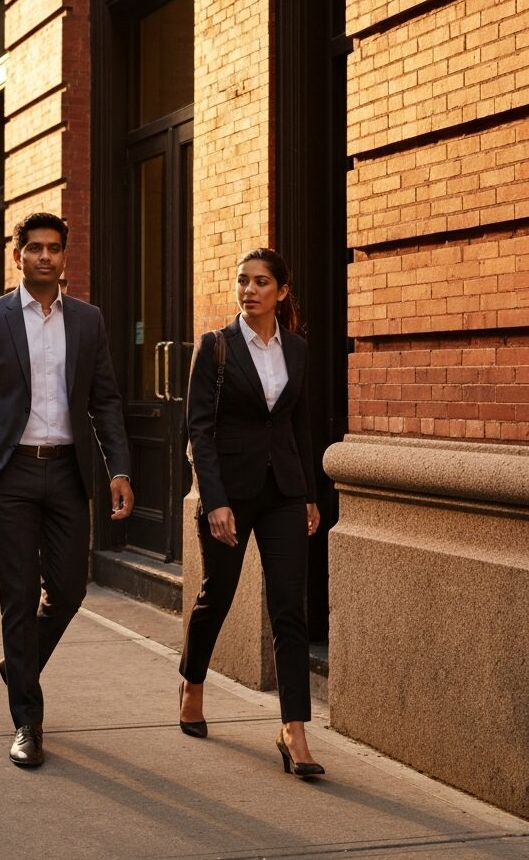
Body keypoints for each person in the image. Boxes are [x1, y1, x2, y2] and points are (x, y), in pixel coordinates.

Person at [0, 212, 134, 768]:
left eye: (54, 248)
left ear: (64, 255)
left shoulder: (87, 320)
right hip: (9, 474)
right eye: (34, 248)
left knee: (70, 590)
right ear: (18, 256)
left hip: (68, 472)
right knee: (19, 591)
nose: (45, 256)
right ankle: (27, 721)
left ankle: (18, 666)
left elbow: (105, 401)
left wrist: (119, 470)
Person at [179, 248, 324, 778]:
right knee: (216, 595)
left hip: (283, 490)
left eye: (262, 282)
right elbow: (198, 430)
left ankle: (294, 730)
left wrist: (308, 493)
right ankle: (192, 682)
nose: (250, 290)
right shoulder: (216, 346)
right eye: (243, 280)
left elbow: (299, 426)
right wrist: (214, 499)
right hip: (231, 493)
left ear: (281, 291)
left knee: (289, 608)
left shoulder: (297, 349)